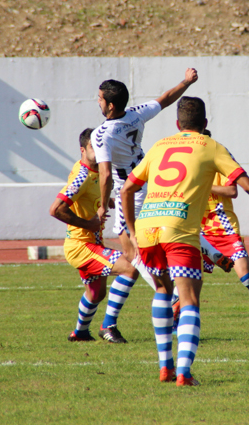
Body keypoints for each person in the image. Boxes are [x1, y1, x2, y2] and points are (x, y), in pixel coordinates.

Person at [121, 96, 249, 385]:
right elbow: (247, 185)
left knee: (163, 291)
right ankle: (184, 374)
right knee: (189, 299)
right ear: (204, 124)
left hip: (148, 227)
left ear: (177, 124)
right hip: (180, 228)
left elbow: (128, 188)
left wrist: (131, 229)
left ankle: (165, 367)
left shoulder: (159, 145)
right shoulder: (211, 146)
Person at [91, 70, 231, 344]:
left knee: (134, 255)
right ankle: (213, 253)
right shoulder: (135, 114)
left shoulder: (101, 135)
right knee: (161, 237)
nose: (97, 102)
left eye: (99, 98)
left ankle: (170, 296)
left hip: (129, 193)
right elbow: (166, 99)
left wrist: (102, 208)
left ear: (109, 105)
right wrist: (187, 82)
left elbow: (106, 174)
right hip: (151, 184)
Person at [50, 128, 151, 342]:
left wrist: (108, 203)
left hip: (90, 243)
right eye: (92, 148)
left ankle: (80, 332)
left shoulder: (99, 171)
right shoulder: (82, 175)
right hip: (81, 246)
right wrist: (88, 223)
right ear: (82, 150)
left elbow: (90, 196)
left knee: (96, 293)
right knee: (131, 267)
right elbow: (56, 209)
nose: (99, 151)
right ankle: (108, 326)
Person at [189, 129, 249, 333]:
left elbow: (232, 191)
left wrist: (203, 185)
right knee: (188, 280)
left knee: (246, 276)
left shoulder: (219, 160)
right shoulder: (187, 164)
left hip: (224, 229)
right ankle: (176, 322)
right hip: (197, 231)